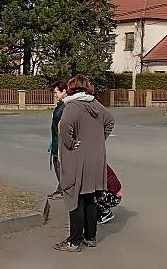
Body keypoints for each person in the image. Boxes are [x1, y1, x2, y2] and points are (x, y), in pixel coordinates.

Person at [54, 74, 115, 252]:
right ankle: (90, 237)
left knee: (76, 197)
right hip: (96, 158)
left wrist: (71, 143)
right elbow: (110, 121)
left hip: (78, 158)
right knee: (90, 197)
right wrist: (98, 140)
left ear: (72, 88)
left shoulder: (72, 106)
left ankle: (74, 241)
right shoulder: (95, 104)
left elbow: (65, 126)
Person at [47, 80, 67, 200]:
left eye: (56, 92)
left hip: (61, 143)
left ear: (64, 91)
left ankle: (64, 190)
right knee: (58, 164)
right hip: (56, 140)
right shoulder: (62, 105)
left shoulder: (66, 106)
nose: (54, 95)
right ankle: (62, 189)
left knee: (59, 166)